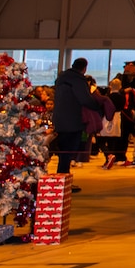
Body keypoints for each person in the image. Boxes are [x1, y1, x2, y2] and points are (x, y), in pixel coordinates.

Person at [50, 57, 90, 191]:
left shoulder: (61, 79)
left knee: (64, 154)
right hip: (73, 121)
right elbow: (84, 99)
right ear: (84, 68)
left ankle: (61, 181)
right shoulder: (78, 81)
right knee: (67, 154)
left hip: (60, 121)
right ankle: (63, 183)